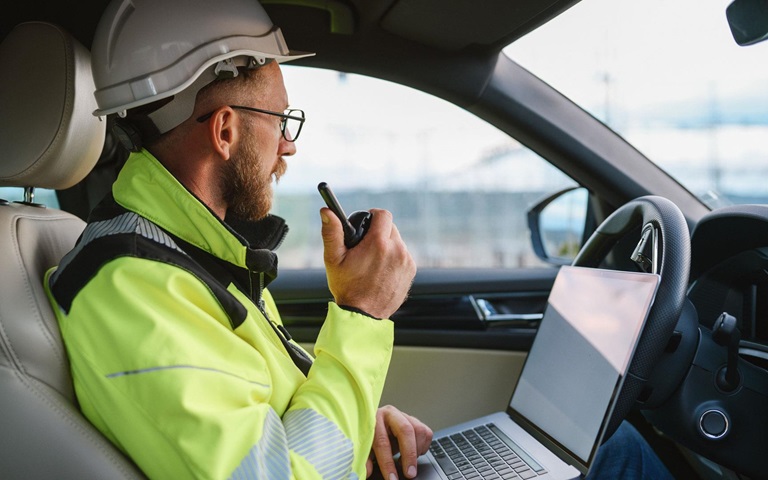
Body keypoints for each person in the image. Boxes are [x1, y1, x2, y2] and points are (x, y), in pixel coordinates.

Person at [45, 0, 674, 479]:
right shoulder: (128, 286)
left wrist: (357, 423)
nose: (289, 145)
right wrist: (360, 312)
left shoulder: (190, 255)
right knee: (619, 458)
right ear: (228, 132)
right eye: (281, 121)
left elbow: (264, 411)